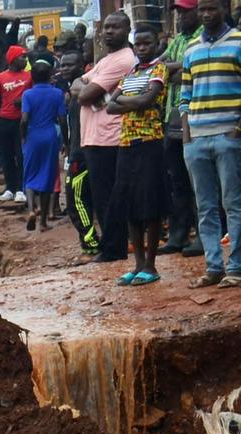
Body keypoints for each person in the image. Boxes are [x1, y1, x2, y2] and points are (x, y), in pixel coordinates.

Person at [182, 0, 241, 286]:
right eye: (202, 9)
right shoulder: (191, 48)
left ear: (223, 9)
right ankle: (214, 266)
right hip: (196, 139)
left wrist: (237, 130)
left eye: (212, 9)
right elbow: (185, 94)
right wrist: (186, 134)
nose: (206, 14)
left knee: (233, 203)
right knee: (204, 207)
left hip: (229, 136)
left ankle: (237, 267)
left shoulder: (239, 42)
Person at [108, 26, 172, 282]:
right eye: (139, 45)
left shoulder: (159, 70)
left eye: (147, 44)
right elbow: (110, 107)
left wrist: (128, 101)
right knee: (130, 204)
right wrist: (133, 101)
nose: (143, 48)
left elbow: (146, 102)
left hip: (150, 142)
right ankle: (137, 264)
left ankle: (151, 265)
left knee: (151, 203)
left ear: (156, 44)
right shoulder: (132, 72)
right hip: (126, 143)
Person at [75, 12, 137, 264]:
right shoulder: (107, 59)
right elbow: (76, 84)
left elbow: (82, 93)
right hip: (95, 138)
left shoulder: (123, 60)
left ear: (127, 30)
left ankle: (113, 249)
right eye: (106, 27)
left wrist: (87, 91)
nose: (109, 31)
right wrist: (87, 90)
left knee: (109, 197)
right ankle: (110, 246)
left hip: (108, 138)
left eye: (115, 27)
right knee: (101, 196)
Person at [164, 0, 205, 258]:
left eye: (184, 11)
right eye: (178, 12)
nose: (180, 17)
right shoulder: (178, 40)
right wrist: (177, 69)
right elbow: (162, 69)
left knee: (199, 183)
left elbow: (188, 72)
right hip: (173, 117)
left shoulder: (204, 37)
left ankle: (203, 236)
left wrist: (178, 69)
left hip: (196, 116)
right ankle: (178, 236)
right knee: (177, 181)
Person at [20, 56, 69, 230]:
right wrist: (67, 142)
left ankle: (32, 209)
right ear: (50, 75)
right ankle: (43, 223)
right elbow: (62, 120)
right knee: (48, 175)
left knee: (30, 173)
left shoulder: (28, 94)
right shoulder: (57, 93)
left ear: (31, 77)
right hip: (50, 135)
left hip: (33, 135)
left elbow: (24, 119)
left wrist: (23, 136)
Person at [0, 49, 34, 198]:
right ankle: (10, 187)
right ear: (13, 59)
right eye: (23, 57)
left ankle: (21, 189)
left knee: (21, 155)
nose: (25, 60)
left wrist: (24, 101)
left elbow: (34, 95)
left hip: (22, 121)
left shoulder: (29, 77)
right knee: (6, 155)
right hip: (5, 120)